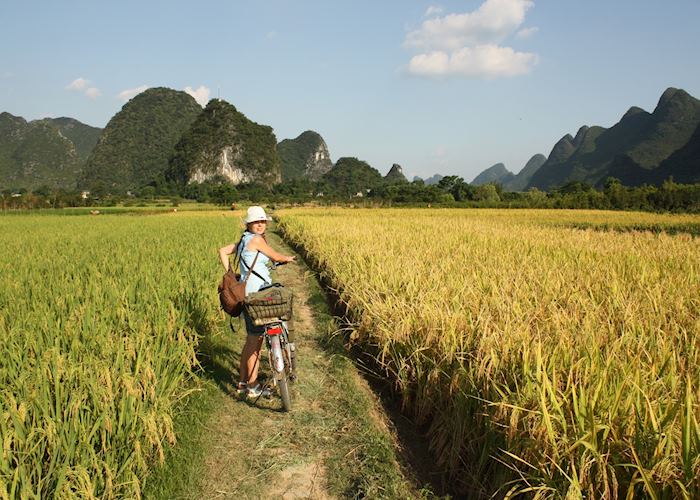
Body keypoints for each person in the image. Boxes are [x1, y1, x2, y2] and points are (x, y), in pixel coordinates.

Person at [218, 206, 295, 398]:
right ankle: (253, 386)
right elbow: (276, 256)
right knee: (256, 342)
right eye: (256, 222)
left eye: (262, 222)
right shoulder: (256, 239)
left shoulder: (244, 240)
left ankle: (243, 382)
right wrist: (287, 258)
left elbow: (223, 251)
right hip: (258, 296)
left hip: (247, 295)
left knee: (251, 340)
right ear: (249, 224)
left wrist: (231, 274)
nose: (260, 225)